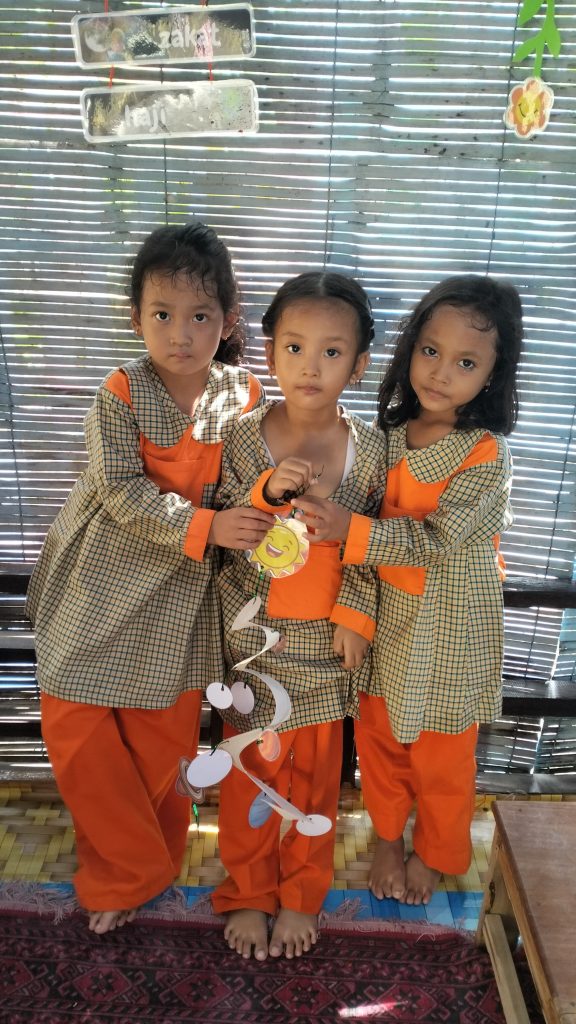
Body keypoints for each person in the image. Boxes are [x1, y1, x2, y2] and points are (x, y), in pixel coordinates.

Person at [26, 222, 273, 934]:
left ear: (228, 319)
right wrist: (208, 526)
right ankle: (132, 871)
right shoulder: (121, 391)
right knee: (75, 725)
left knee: (162, 742)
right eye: (162, 314)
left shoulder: (244, 394)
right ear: (136, 317)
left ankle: (136, 871)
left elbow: (252, 484)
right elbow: (119, 490)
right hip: (98, 580)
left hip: (182, 595)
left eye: (200, 316)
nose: (180, 334)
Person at [294, 274, 523, 906]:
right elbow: (360, 550)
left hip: (451, 634)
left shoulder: (486, 454)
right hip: (388, 627)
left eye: (466, 362)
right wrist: (352, 615)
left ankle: (437, 850)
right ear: (409, 349)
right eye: (430, 351)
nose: (441, 372)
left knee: (443, 760)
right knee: (381, 745)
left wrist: (350, 528)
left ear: (493, 375)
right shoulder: (385, 442)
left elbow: (434, 540)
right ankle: (390, 838)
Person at [211, 271, 388, 960]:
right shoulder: (242, 438)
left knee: (315, 784)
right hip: (254, 646)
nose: (310, 366)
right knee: (248, 778)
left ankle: (301, 896)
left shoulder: (372, 450)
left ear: (360, 364)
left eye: (331, 352)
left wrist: (356, 616)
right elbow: (225, 530)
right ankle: (249, 891)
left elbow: (377, 542)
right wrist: (266, 490)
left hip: (323, 650)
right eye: (294, 347)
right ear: (270, 353)